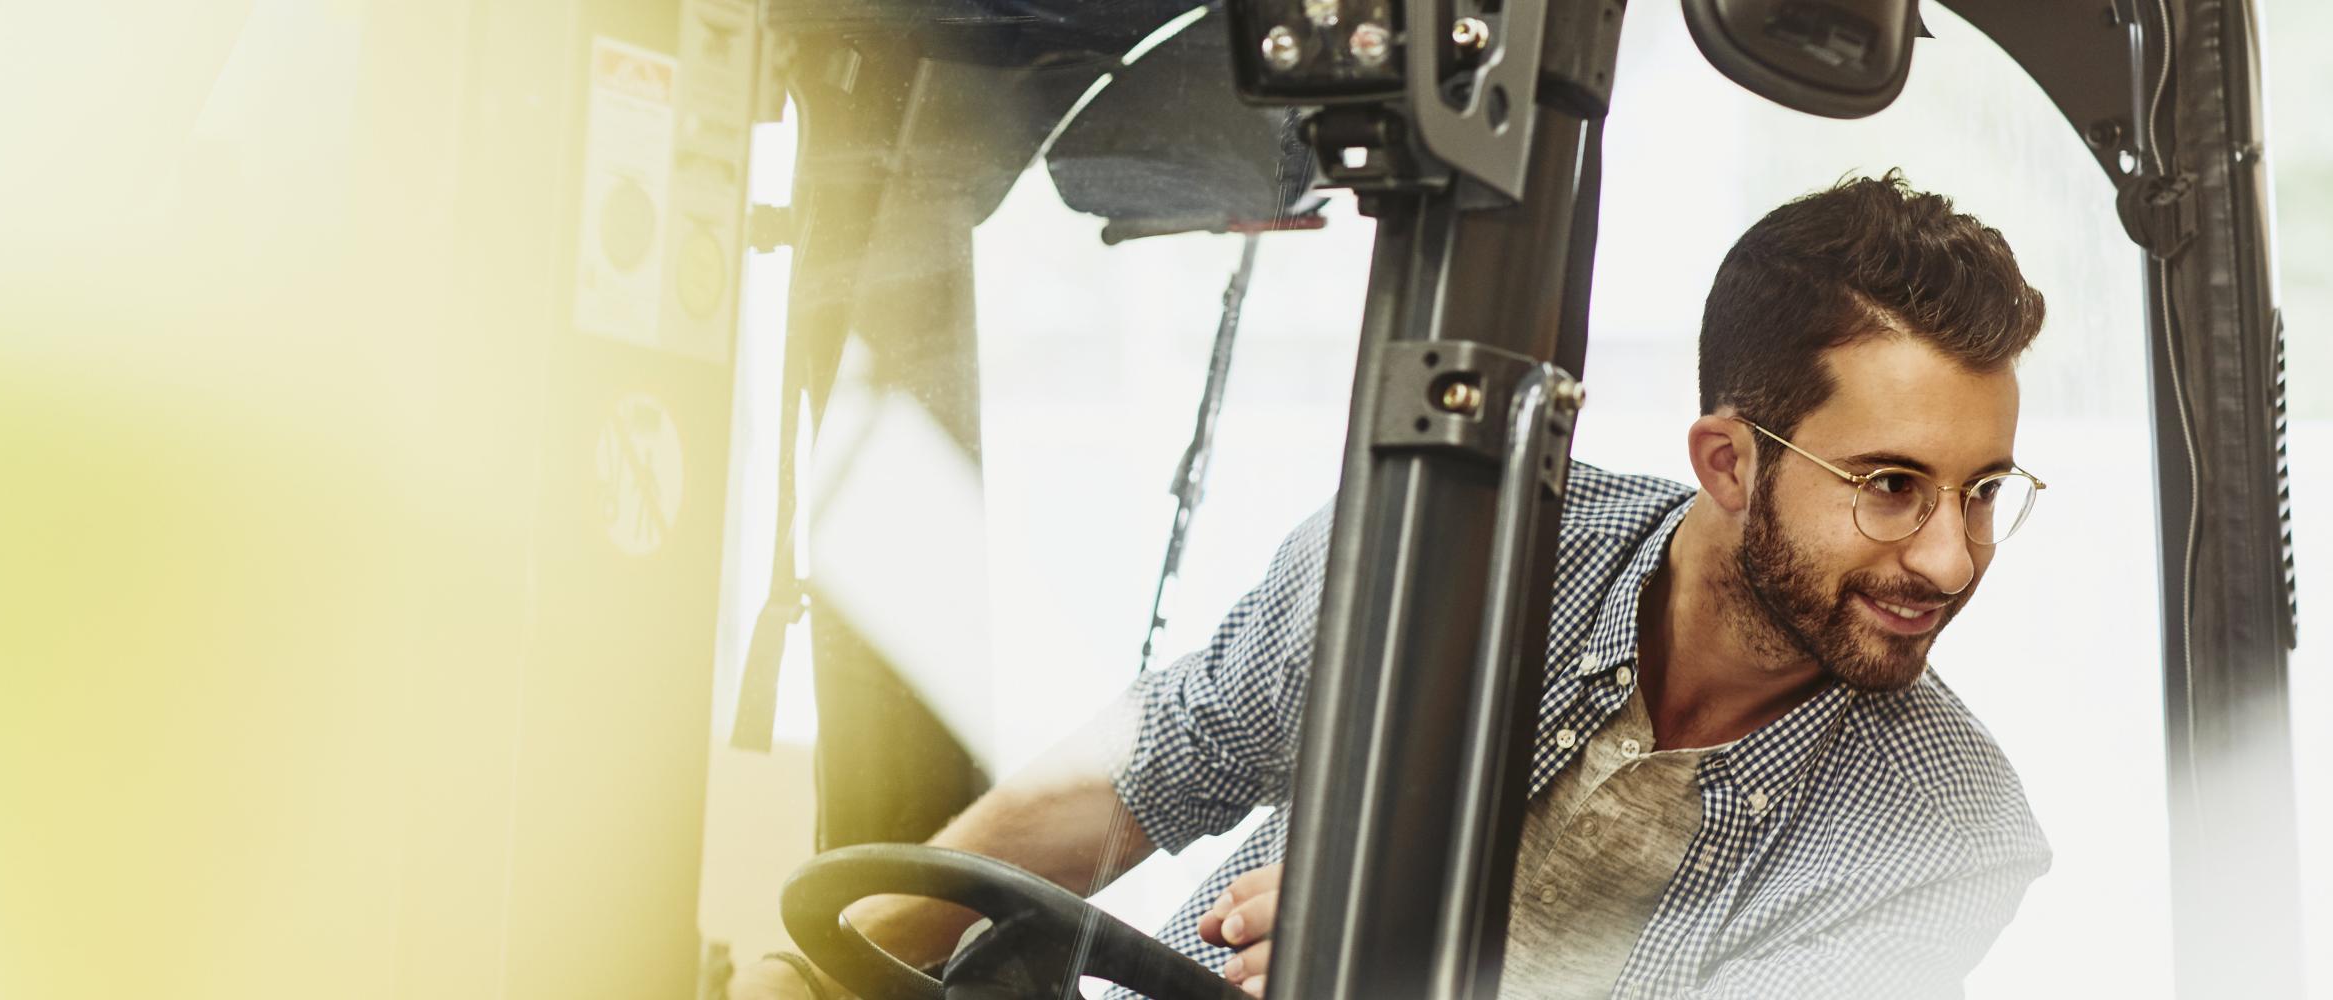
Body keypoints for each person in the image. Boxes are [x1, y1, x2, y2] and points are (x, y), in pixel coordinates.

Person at [732, 170, 2053, 1000]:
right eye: (1893, 486)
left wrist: (1391, 951)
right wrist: (816, 972)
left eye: (1985, 490)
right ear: (1725, 461)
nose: (1950, 557)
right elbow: (1148, 770)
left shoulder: (1943, 831)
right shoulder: (1458, 542)